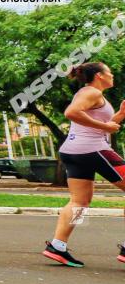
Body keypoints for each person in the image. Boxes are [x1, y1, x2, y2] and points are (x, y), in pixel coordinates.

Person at [42, 62, 125, 267]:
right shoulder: (90, 92)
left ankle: (57, 246)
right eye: (110, 72)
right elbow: (71, 113)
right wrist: (105, 125)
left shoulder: (94, 95)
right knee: (80, 201)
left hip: (74, 152)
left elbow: (96, 126)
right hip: (92, 150)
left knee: (80, 201)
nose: (112, 75)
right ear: (99, 75)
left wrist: (120, 115)